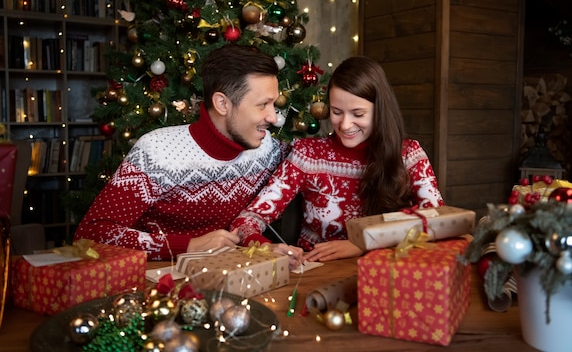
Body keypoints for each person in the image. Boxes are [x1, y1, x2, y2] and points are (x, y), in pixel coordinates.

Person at [74, 45, 291, 261]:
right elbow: (92, 235)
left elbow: (313, 156)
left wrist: (262, 247)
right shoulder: (158, 151)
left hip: (230, 279)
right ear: (222, 104)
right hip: (161, 286)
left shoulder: (267, 149)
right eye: (263, 105)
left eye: (273, 104)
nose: (273, 117)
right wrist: (187, 245)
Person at [231, 55, 444, 262]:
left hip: (385, 270)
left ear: (380, 111)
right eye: (336, 112)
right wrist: (266, 248)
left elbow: (439, 220)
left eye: (358, 114)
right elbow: (247, 220)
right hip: (316, 272)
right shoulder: (308, 155)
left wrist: (364, 242)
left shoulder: (408, 155)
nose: (345, 125)